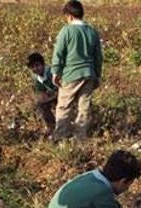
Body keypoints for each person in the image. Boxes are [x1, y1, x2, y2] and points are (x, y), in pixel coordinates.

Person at [51, 1, 103, 141]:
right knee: (84, 107)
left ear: (69, 15)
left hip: (71, 74)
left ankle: (60, 136)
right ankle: (80, 137)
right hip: (88, 73)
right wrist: (97, 75)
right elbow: (98, 57)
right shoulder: (92, 31)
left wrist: (55, 71)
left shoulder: (66, 31)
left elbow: (59, 53)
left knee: (64, 106)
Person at [26, 52, 58, 135]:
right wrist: (45, 99)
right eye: (32, 67)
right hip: (54, 96)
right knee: (41, 104)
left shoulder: (51, 72)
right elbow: (42, 94)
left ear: (43, 64)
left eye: (37, 65)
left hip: (64, 94)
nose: (35, 69)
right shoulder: (37, 79)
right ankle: (52, 127)